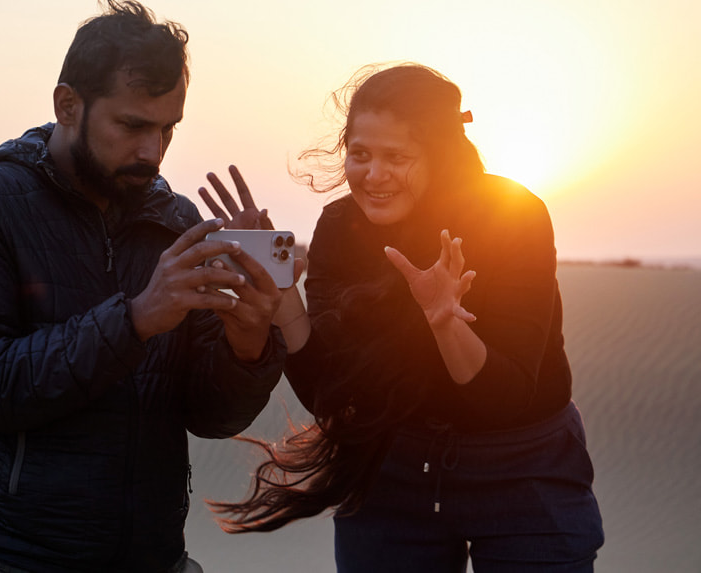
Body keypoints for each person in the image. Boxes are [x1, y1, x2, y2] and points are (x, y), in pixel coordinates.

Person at [0, 0, 288, 573]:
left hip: (152, 557)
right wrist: (137, 319)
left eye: (168, 129)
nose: (153, 152)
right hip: (7, 556)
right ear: (68, 105)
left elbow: (211, 418)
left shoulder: (178, 223)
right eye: (132, 125)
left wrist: (249, 346)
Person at [201, 63, 604, 572]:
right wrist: (284, 303)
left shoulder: (512, 217)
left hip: (522, 469)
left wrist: (444, 323)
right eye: (360, 155)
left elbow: (508, 396)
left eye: (397, 157)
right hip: (389, 468)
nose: (373, 175)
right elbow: (333, 394)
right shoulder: (340, 227)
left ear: (439, 157)